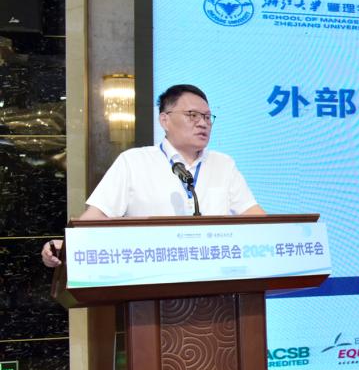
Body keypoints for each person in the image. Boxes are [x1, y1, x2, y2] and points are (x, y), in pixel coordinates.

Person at [42, 84, 265, 267]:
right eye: (192, 115)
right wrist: (64, 248)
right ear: (164, 120)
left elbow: (254, 216)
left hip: (215, 277)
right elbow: (96, 215)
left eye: (207, 117)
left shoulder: (223, 164)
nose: (202, 123)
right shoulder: (134, 161)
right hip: (150, 277)